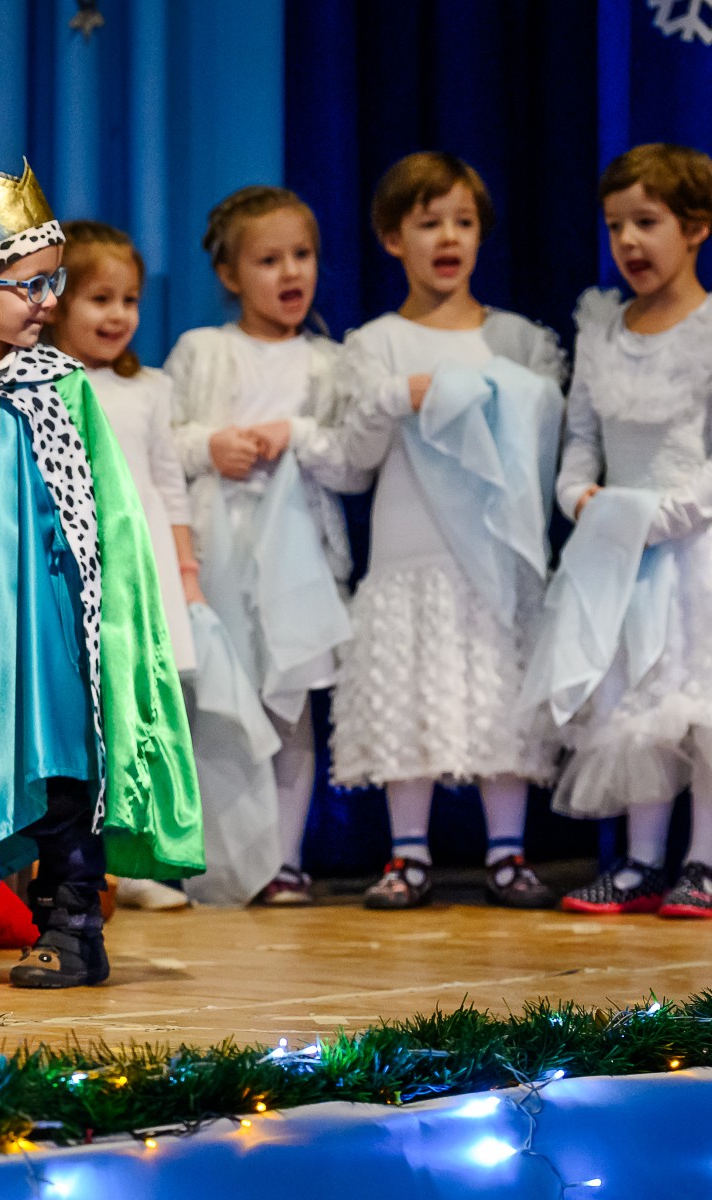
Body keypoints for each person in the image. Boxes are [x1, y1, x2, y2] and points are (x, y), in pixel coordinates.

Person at [0, 163, 199, 986]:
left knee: (63, 765)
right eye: (31, 285)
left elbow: (110, 516)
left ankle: (72, 923)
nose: (47, 301)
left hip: (48, 629)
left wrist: (110, 626)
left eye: (53, 282)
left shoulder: (60, 385)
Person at [330, 153, 566, 911]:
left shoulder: (517, 341)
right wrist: (395, 396)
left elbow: (544, 441)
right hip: (411, 553)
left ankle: (507, 851)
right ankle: (407, 854)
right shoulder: (378, 344)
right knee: (408, 691)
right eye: (429, 222)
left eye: (463, 222)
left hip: (495, 552)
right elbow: (352, 464)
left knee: (500, 694)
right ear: (392, 238)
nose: (449, 237)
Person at [163, 187, 359, 908]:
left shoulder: (329, 362)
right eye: (269, 260)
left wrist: (298, 437)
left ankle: (283, 861)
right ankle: (210, 859)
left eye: (302, 255)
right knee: (217, 702)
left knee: (288, 706)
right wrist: (210, 446)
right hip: (217, 550)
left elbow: (353, 462)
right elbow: (162, 443)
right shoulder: (203, 350)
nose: (290, 272)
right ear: (230, 274)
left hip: (298, 560)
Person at [542, 143, 712, 917]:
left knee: (696, 703)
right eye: (616, 227)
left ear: (696, 227)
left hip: (694, 546)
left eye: (647, 222)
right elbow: (581, 442)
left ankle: (702, 860)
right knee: (633, 700)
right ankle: (642, 862)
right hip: (619, 553)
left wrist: (661, 515)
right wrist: (581, 497)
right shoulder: (602, 330)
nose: (629, 242)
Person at [47, 219, 198, 912]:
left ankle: (130, 855)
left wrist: (186, 574)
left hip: (142, 572)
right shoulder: (46, 384)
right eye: (100, 299)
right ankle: (62, 862)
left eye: (130, 300)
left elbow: (169, 485)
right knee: (77, 717)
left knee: (134, 713)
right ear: (57, 302)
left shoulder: (151, 389)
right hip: (74, 571)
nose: (118, 315)